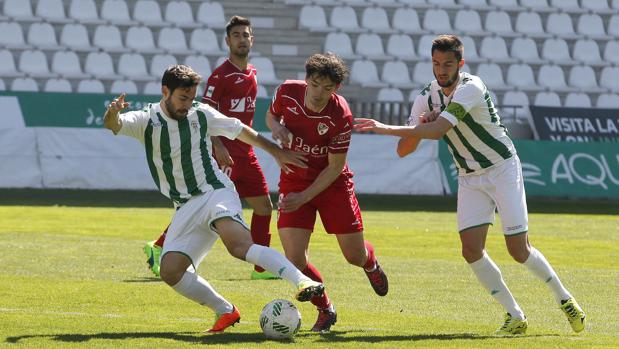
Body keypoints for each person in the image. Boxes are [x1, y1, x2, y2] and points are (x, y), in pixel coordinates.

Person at [354, 34, 586, 335]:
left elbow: (438, 132)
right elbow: (404, 149)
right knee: (471, 250)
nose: (441, 70)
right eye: (436, 63)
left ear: (460, 64)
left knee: (518, 249)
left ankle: (565, 299)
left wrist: (385, 128)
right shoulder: (425, 96)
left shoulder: (471, 86)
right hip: (468, 176)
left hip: (502, 168)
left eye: (447, 64)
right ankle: (515, 316)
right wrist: (419, 124)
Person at [103, 64, 325, 333]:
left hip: (214, 191)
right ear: (165, 91)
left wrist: (276, 152)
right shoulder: (147, 120)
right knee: (170, 271)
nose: (187, 104)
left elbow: (241, 129)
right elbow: (114, 125)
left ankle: (302, 281)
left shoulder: (200, 113)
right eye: (182, 98)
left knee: (238, 246)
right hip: (184, 206)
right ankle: (226, 311)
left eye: (191, 97)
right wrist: (112, 113)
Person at [143, 16, 279, 280]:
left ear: (252, 39)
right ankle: (160, 246)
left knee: (264, 206)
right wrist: (217, 145)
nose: (242, 39)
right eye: (236, 35)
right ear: (228, 41)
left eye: (246, 35)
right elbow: (203, 113)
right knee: (200, 205)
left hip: (246, 153)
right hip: (224, 154)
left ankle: (262, 268)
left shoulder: (252, 72)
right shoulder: (220, 76)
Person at [266, 53, 388, 333]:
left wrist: (303, 197)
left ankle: (370, 264)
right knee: (295, 260)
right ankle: (325, 308)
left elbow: (334, 167)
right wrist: (277, 128)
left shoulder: (340, 114)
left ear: (337, 89)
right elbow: (271, 115)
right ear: (307, 79)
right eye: (316, 84)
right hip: (294, 180)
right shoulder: (287, 91)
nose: (320, 93)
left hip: (332, 184)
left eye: (328, 88)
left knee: (353, 256)